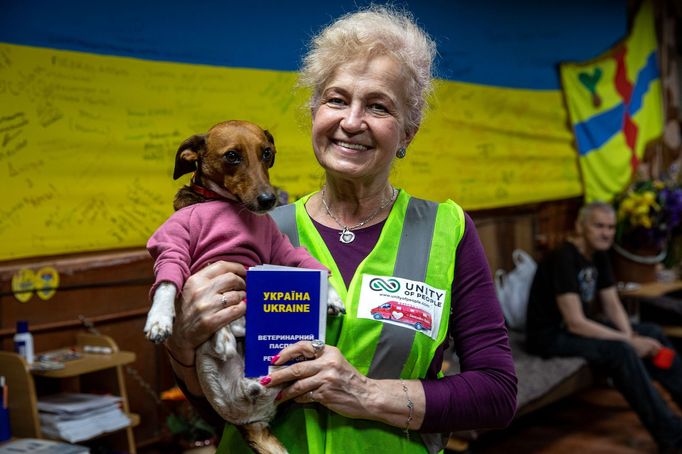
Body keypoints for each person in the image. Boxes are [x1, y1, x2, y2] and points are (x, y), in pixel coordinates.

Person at [163, 6, 517, 453]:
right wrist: (182, 344)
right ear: (314, 113)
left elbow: (497, 393)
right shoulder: (248, 230)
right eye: (336, 99)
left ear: (407, 131)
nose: (351, 121)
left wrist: (365, 394)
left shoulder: (447, 230)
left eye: (378, 105)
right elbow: (213, 404)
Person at [525, 201, 682, 452]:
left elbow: (611, 303)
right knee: (621, 352)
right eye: (598, 226)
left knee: (651, 332)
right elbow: (576, 322)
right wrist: (628, 342)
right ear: (580, 226)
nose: (606, 233)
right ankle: (672, 436)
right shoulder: (563, 257)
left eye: (610, 227)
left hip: (574, 327)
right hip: (550, 335)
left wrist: (630, 334)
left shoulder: (598, 255)